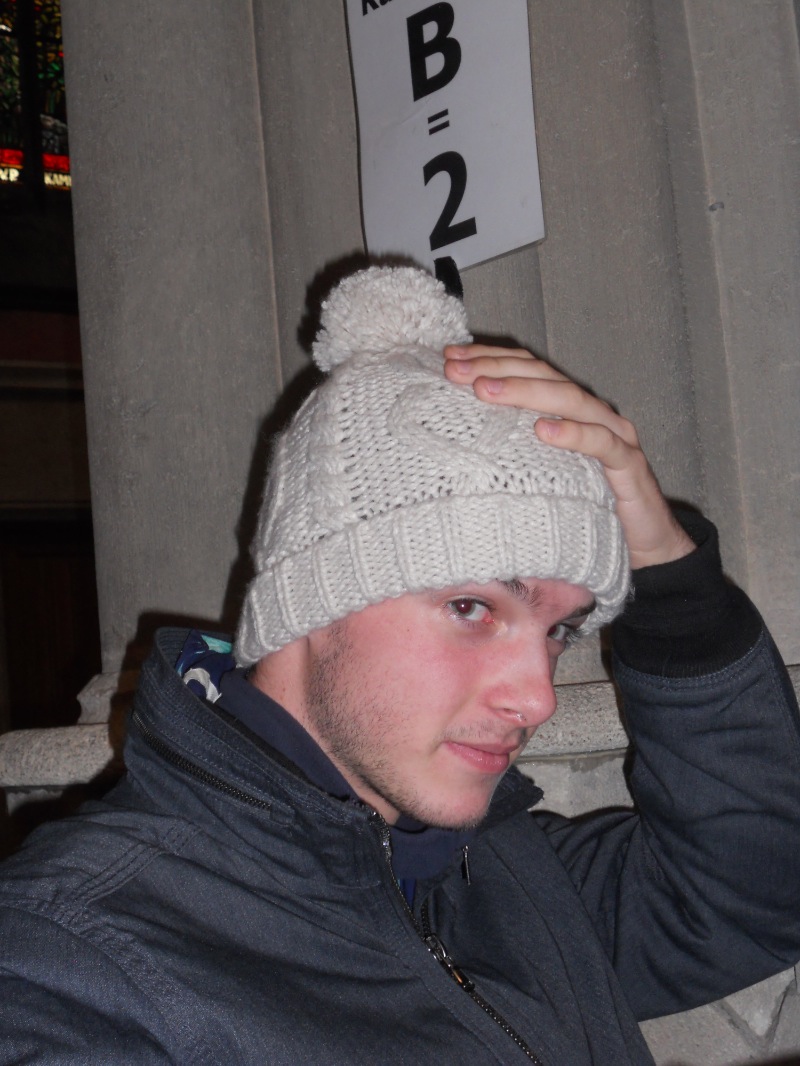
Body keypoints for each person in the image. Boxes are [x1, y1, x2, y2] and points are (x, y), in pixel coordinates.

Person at [1, 265, 799, 1065]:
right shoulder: (70, 960)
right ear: (314, 599)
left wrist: (672, 579)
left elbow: (756, 891)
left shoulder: (503, 876)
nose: (538, 699)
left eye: (560, 628)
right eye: (472, 607)